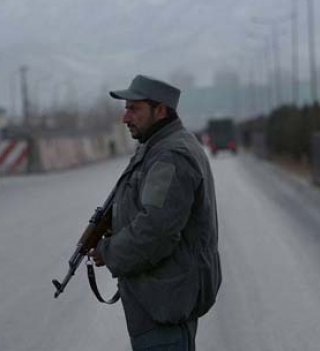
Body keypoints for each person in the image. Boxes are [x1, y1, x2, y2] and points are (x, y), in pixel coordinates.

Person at [90, 75, 222, 351]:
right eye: (126, 109)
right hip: (160, 300)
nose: (125, 117)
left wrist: (109, 251)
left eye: (134, 109)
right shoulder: (157, 148)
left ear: (160, 110)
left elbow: (156, 230)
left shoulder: (170, 155)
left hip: (165, 304)